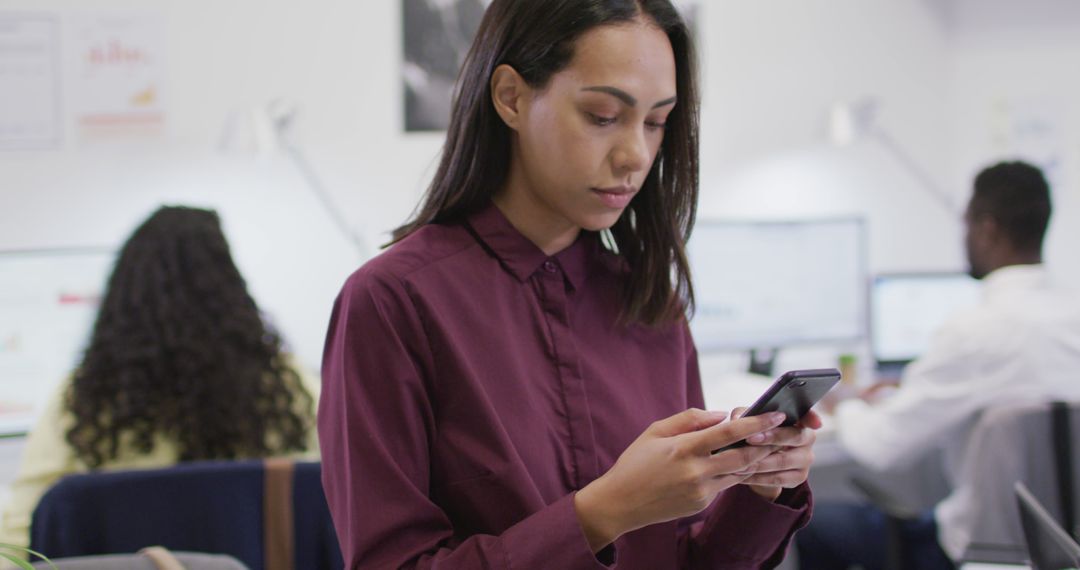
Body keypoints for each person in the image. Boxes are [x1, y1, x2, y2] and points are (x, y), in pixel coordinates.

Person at [318, 1, 821, 568]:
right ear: (510, 97)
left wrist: (759, 490)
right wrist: (603, 513)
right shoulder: (392, 303)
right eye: (604, 116)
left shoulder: (652, 305)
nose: (636, 155)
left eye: (656, 122)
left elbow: (687, 558)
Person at [796, 161, 1080, 569]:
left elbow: (882, 448)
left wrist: (847, 404)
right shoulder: (1072, 311)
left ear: (987, 228)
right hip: (1064, 548)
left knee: (813, 523)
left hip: (976, 552)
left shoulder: (976, 331)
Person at [0, 206, 319, 561]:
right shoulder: (289, 386)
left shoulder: (84, 399)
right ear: (229, 281)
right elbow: (334, 497)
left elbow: (23, 527)